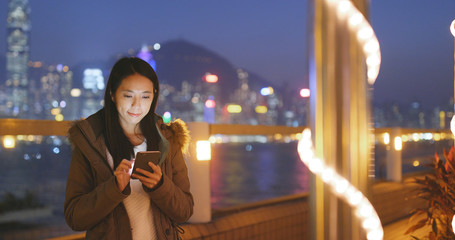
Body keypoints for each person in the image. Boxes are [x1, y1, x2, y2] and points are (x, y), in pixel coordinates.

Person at [64, 57, 194, 240]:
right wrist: (114, 188)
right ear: (112, 94)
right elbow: (75, 217)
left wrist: (160, 185)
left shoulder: (167, 140)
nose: (137, 105)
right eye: (128, 95)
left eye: (145, 96)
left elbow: (185, 211)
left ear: (154, 96)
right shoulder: (90, 142)